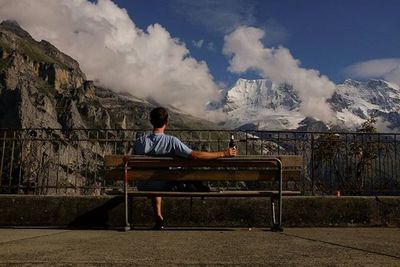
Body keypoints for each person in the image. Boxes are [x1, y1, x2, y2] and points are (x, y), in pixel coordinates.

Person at [132, 107, 237, 230]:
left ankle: (159, 218)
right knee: (179, 177)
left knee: (156, 178)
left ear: (151, 121)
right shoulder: (171, 141)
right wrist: (224, 153)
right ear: (166, 122)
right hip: (164, 185)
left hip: (144, 185)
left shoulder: (139, 142)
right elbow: (195, 155)